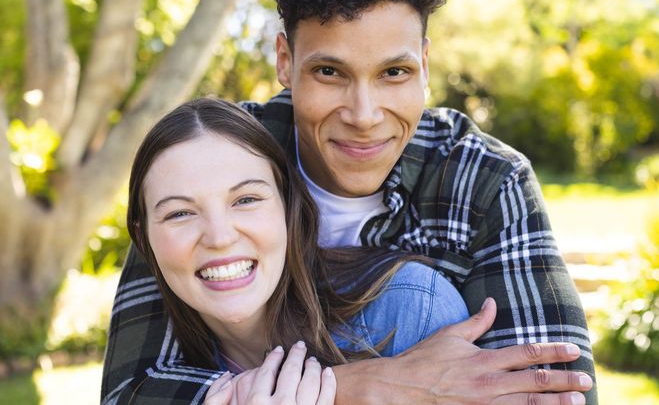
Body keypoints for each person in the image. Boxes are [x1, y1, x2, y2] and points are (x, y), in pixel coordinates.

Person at [102, 0, 597, 403]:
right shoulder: (220, 157)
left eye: (393, 73)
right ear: (284, 61)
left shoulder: (484, 177)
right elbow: (130, 387)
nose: (364, 114)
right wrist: (351, 385)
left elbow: (554, 386)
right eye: (330, 73)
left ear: (424, 65)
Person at [126, 98, 470, 404]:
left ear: (288, 209)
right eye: (179, 213)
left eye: (245, 200)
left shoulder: (411, 307)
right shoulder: (161, 376)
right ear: (144, 240)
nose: (219, 237)